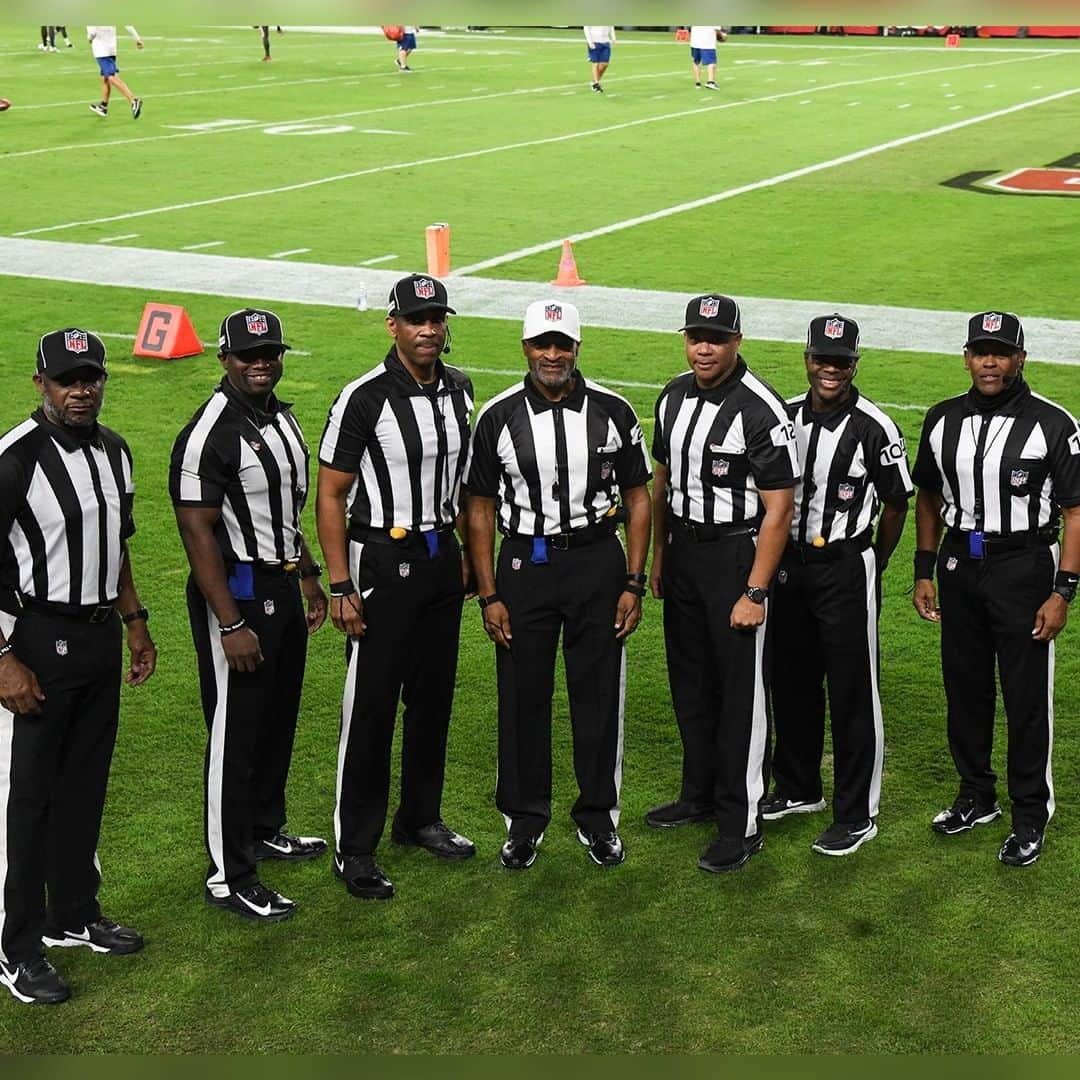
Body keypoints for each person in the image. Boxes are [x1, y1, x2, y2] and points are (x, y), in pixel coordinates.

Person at [465, 300, 651, 871]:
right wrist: (490, 592)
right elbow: (479, 509)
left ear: (577, 348)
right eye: (542, 344)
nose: (553, 354)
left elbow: (640, 498)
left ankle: (598, 817)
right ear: (525, 348)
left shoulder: (614, 411)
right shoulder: (497, 416)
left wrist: (634, 581)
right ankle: (524, 821)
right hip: (525, 564)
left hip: (596, 561)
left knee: (597, 694)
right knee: (522, 694)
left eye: (562, 344)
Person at [0, 329, 156, 1006]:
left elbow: (114, 546)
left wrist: (135, 620)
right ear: (41, 384)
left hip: (96, 636)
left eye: (91, 376)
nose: (81, 389)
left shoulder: (115, 450)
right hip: (34, 637)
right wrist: (3, 660)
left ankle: (73, 914)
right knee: (23, 801)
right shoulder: (15, 459)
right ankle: (14, 947)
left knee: (83, 787)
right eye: (67, 379)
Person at [317, 274, 475, 901]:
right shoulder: (363, 396)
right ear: (394, 325)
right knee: (372, 707)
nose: (429, 329)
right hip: (381, 559)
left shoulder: (460, 388)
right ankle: (355, 846)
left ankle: (419, 818)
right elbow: (330, 494)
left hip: (440, 558)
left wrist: (465, 557)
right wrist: (338, 584)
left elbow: (464, 485)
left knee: (433, 699)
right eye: (416, 319)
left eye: (436, 318)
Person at [170, 309, 328, 924]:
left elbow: (283, 512)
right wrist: (230, 622)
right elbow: (195, 529)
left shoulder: (282, 417)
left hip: (283, 583)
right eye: (247, 355)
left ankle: (263, 829)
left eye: (269, 353)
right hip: (235, 592)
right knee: (236, 732)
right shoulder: (209, 430)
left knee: (275, 720)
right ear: (224, 359)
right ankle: (228, 871)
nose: (259, 363)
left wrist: (308, 572)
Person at [912, 311, 1080, 868]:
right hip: (961, 563)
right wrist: (924, 569)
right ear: (966, 357)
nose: (990, 361)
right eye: (981, 351)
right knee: (966, 687)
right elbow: (928, 499)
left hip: (1024, 564)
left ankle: (1030, 811)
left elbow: (1076, 513)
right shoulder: (940, 420)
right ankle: (976, 794)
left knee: (1026, 696)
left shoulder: (1053, 423)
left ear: (1020, 359)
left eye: (1002, 352)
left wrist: (1063, 590)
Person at [647, 294, 798, 873]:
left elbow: (779, 510)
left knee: (740, 696)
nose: (703, 347)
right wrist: (661, 557)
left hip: (737, 555)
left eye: (715, 337)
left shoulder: (760, 409)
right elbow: (662, 480)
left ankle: (743, 822)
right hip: (685, 551)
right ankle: (700, 794)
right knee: (691, 681)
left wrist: (756, 591)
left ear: (737, 341)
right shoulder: (673, 394)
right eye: (695, 337)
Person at [763, 315, 912, 855]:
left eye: (841, 361)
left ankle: (857, 812)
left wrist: (874, 558)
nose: (830, 369)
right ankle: (799, 787)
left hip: (846, 564)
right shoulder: (782, 417)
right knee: (791, 678)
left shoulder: (874, 426)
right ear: (806, 358)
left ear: (855, 363)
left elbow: (897, 502)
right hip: (789, 565)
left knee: (853, 689)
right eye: (822, 358)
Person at [86, 25, 143, 119]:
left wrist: (89, 38)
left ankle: (133, 101)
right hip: (111, 48)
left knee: (111, 76)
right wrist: (137, 38)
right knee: (104, 77)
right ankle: (103, 106)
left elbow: (92, 32)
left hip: (101, 50)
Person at [689, 25, 726, 90]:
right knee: (712, 62)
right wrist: (722, 37)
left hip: (695, 41)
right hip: (707, 43)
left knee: (696, 61)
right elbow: (717, 30)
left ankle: (698, 83)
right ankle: (710, 82)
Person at [583, 26, 615, 92]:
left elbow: (611, 27)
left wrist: (613, 38)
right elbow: (586, 28)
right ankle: (596, 84)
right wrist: (590, 42)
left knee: (605, 64)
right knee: (595, 63)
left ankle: (594, 81)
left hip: (606, 42)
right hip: (594, 41)